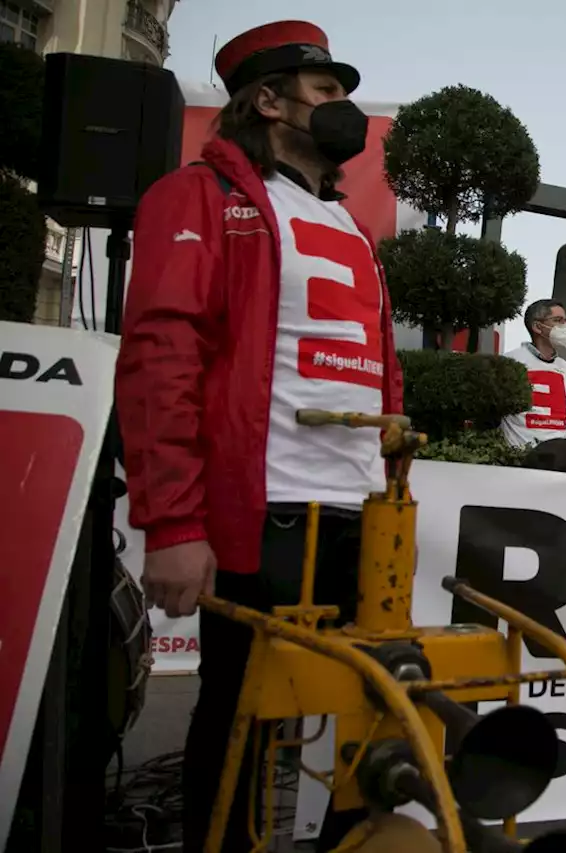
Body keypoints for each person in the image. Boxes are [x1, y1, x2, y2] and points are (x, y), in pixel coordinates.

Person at [114, 21, 397, 852]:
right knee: (239, 714)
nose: (343, 106)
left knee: (361, 713)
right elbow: (161, 357)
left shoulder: (352, 228)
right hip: (262, 512)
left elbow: (380, 370)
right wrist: (171, 522)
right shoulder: (195, 197)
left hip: (361, 513)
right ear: (267, 100)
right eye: (325, 90)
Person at [501, 299, 566, 453]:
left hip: (558, 460)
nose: (565, 326)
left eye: (565, 321)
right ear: (537, 327)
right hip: (521, 459)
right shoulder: (510, 362)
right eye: (558, 320)